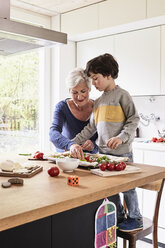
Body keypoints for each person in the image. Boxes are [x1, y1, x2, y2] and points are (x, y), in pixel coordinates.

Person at [68, 53, 143, 232]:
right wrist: (72, 143)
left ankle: (135, 217)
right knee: (111, 189)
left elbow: (134, 119)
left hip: (122, 154)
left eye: (95, 78)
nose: (93, 83)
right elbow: (90, 128)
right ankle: (118, 217)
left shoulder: (122, 96)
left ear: (108, 74)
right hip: (103, 154)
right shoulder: (99, 102)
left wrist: (120, 138)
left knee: (128, 188)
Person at [49, 67, 98, 154]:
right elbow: (53, 133)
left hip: (91, 160)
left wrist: (93, 146)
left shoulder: (98, 108)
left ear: (89, 89)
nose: (79, 97)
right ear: (69, 91)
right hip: (66, 158)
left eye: (83, 91)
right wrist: (70, 145)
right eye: (74, 92)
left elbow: (104, 139)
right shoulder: (62, 107)